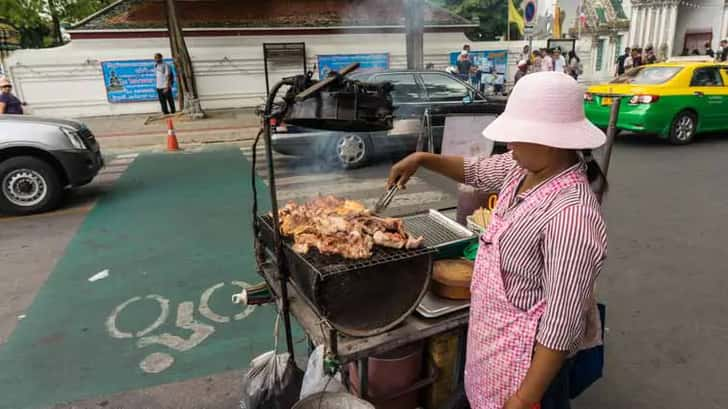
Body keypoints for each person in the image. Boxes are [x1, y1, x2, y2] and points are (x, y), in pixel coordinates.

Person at [387, 71, 608, 409]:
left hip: (528, 376)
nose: (508, 146)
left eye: (516, 137)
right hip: (492, 352)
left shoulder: (571, 215)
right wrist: (423, 160)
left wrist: (524, 399)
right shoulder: (521, 169)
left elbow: (561, 325)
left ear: (548, 139)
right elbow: (475, 170)